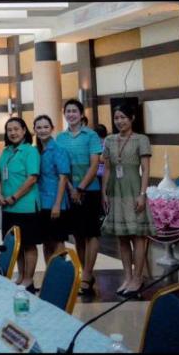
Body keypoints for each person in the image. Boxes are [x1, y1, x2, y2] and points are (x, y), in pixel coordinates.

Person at [101, 104, 155, 298]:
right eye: (116, 118)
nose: (119, 121)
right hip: (115, 191)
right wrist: (104, 192)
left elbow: (146, 170)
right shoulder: (109, 140)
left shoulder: (141, 139)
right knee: (122, 237)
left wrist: (142, 193)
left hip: (134, 190)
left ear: (132, 118)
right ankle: (128, 277)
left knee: (138, 236)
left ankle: (138, 278)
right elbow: (107, 168)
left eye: (123, 117)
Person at [56, 98, 104, 296]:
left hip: (90, 190)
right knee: (78, 234)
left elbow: (95, 165)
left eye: (74, 111)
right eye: (68, 111)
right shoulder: (60, 138)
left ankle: (87, 274)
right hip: (69, 191)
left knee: (91, 232)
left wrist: (81, 188)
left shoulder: (91, 135)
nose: (71, 114)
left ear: (81, 114)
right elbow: (61, 166)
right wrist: (70, 188)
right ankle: (85, 272)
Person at [0, 117, 41, 291]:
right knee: (16, 244)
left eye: (16, 129)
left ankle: (29, 279)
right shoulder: (6, 151)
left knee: (28, 244)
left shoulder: (30, 151)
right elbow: (0, 176)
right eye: (9, 130)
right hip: (8, 206)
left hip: (26, 206)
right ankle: (21, 276)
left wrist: (14, 197)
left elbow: (32, 178)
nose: (13, 133)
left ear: (24, 130)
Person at [34, 114, 71, 265]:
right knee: (46, 241)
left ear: (52, 129)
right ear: (34, 130)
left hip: (56, 202)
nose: (42, 130)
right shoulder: (36, 150)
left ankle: (59, 273)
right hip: (41, 202)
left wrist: (57, 204)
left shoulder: (58, 149)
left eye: (46, 127)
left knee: (58, 240)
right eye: (39, 127)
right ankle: (49, 273)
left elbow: (63, 177)